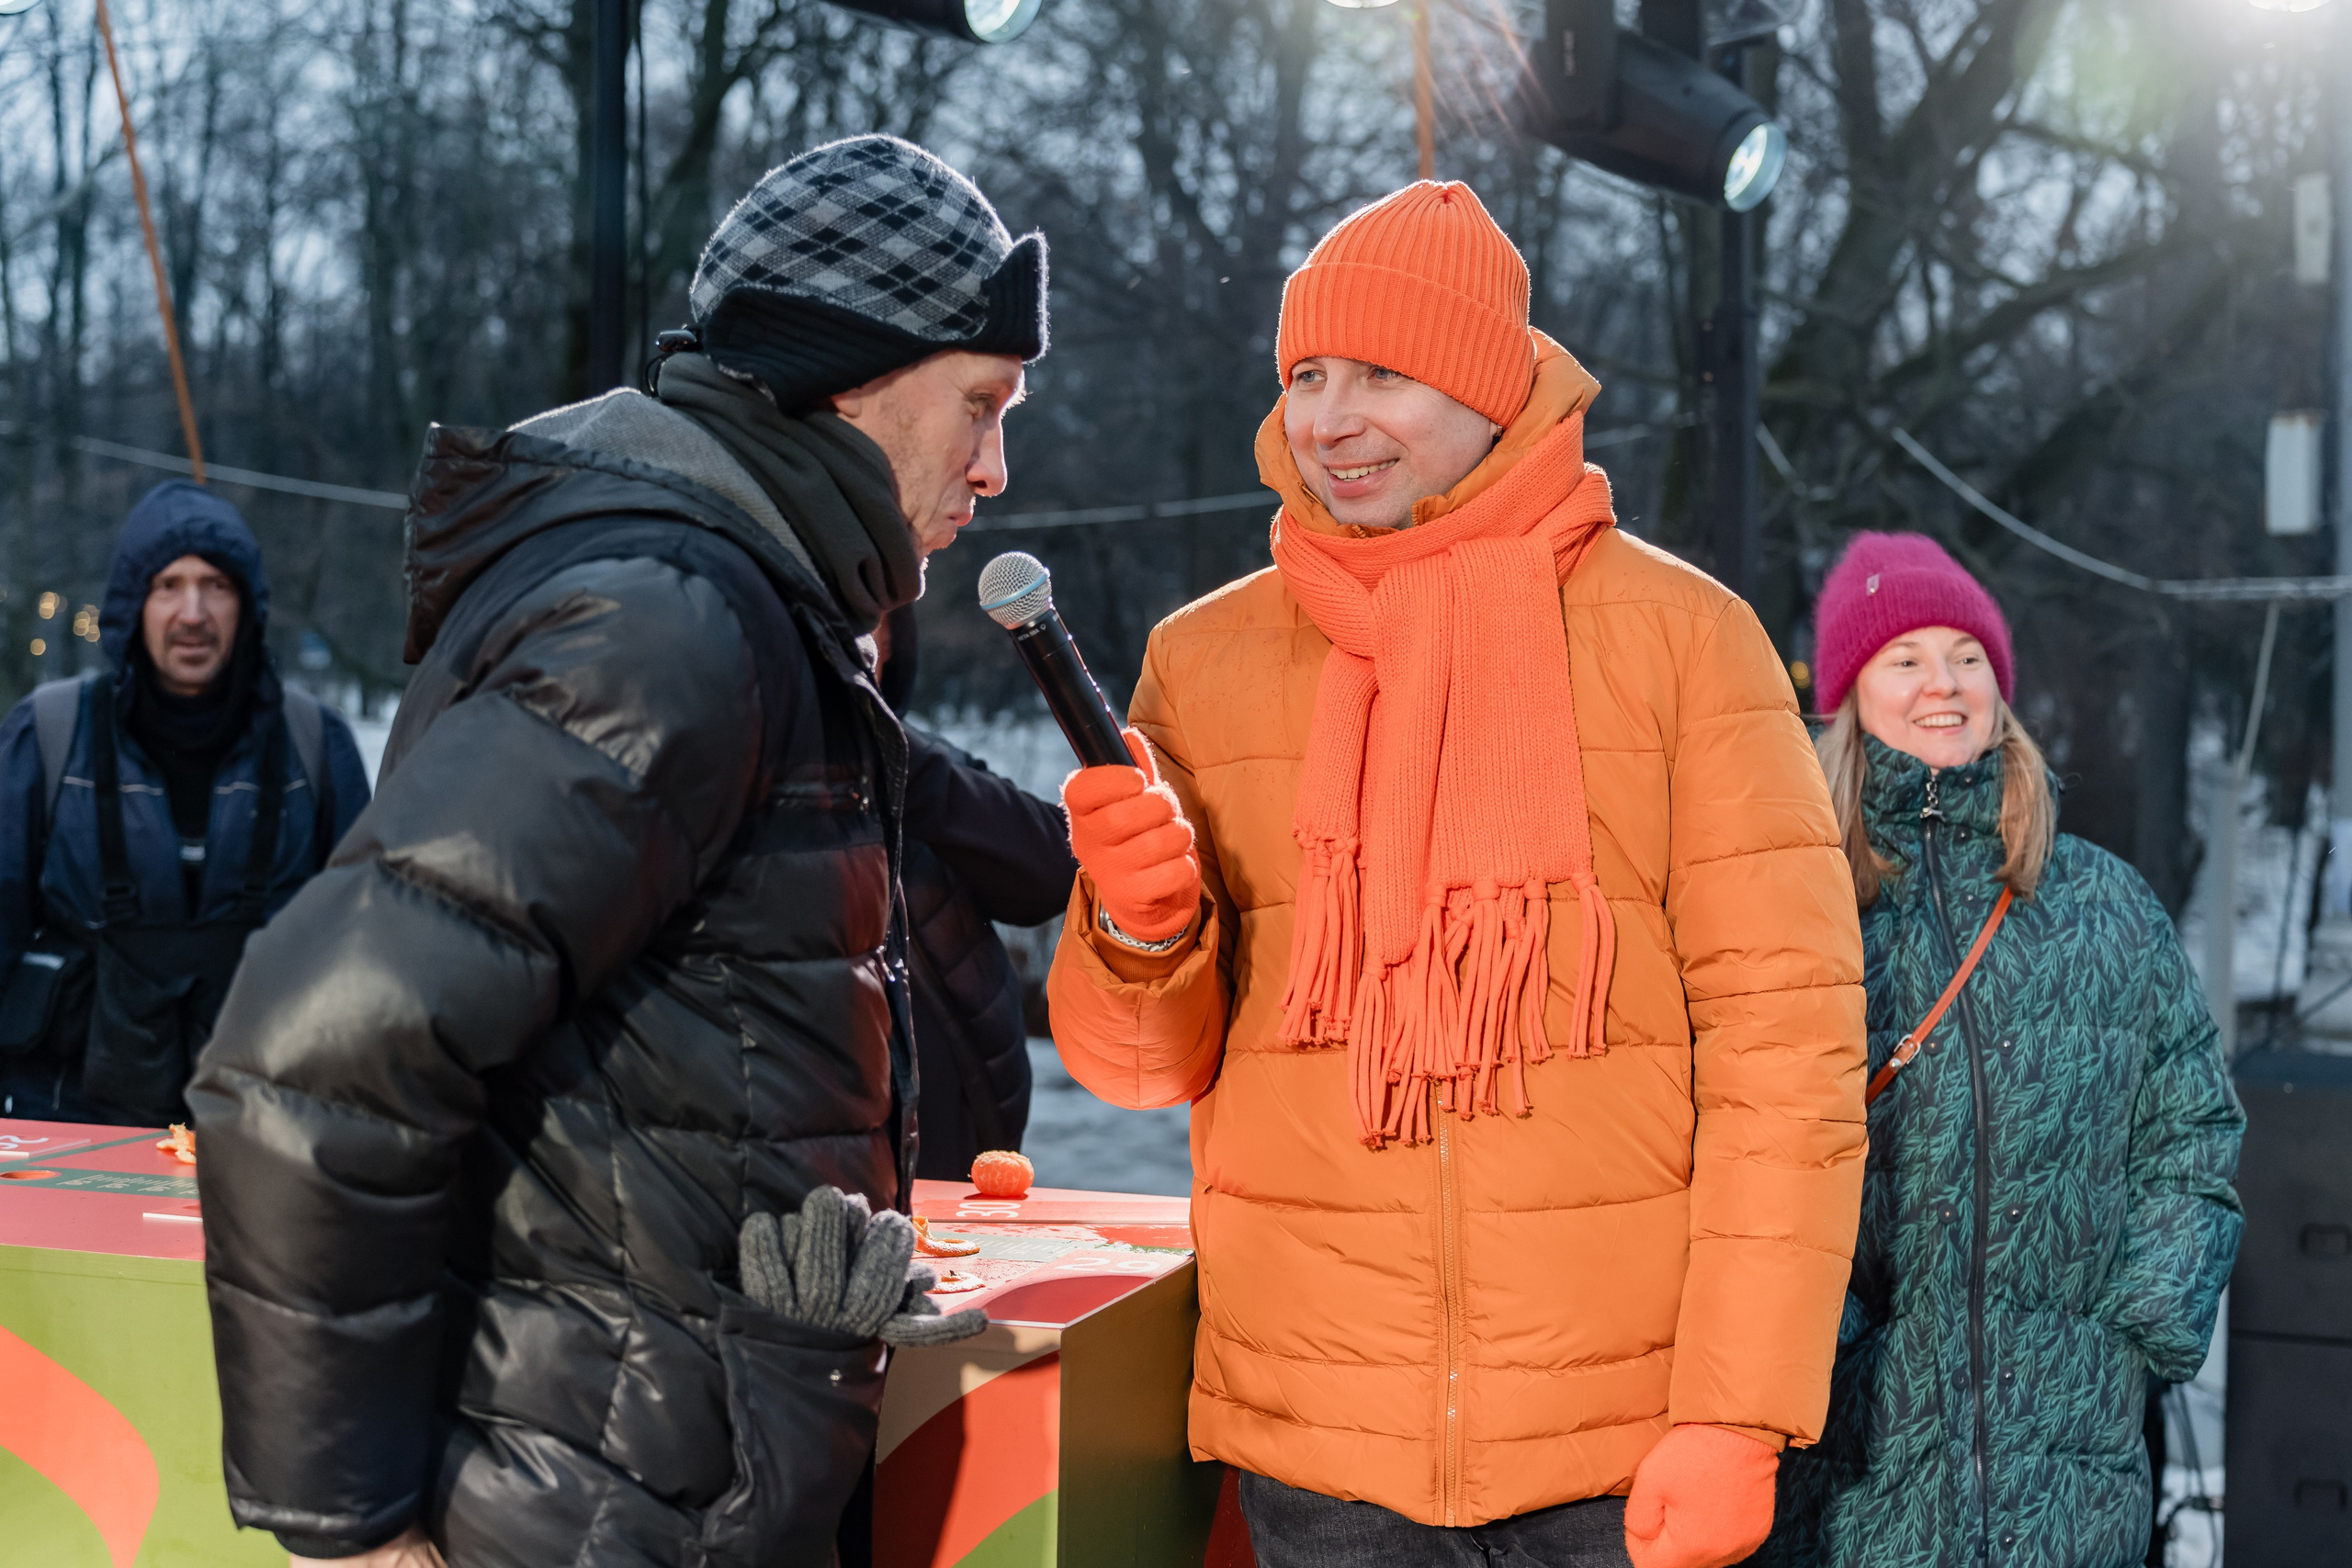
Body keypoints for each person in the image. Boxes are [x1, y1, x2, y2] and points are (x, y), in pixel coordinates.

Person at [187, 135, 1046, 1568]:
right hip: (567, 1503)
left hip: (665, 1482)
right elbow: (312, 1048)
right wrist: (347, 1526)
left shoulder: (758, 609)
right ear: (855, 376)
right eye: (981, 404)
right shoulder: (667, 626)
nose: (998, 466)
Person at [1045, 181, 1867, 1568]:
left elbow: (1785, 1055)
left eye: (1383, 374)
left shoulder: (1685, 640)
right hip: (1324, 1449)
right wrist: (1139, 933)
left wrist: (1739, 1413)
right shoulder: (1206, 659)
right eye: (1305, 375)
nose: (1329, 418)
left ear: (1491, 386)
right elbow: (1138, 1068)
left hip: (1623, 1450)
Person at [1757, 533, 2245, 1568]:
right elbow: (1727, 1141)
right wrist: (1812, 1344)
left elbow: (2192, 1129)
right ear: (1847, 698)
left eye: (1966, 656)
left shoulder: (2104, 904)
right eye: (1905, 659)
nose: (1944, 683)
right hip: (1854, 1470)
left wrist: (2133, 1333)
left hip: (2069, 1474)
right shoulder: (1792, 909)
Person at [0, 481, 368, 1124]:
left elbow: (367, 957)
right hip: (64, 1128)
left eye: (216, 586)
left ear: (247, 606)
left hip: (265, 1133)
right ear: (131, 605)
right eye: (168, 584)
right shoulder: (49, 734)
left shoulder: (315, 746)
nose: (192, 611)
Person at [876, 603, 1077, 1179]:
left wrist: (899, 763)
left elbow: (1051, 867)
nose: (869, 658)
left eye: (881, 640)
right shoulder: (752, 777)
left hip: (962, 1157)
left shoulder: (917, 759)